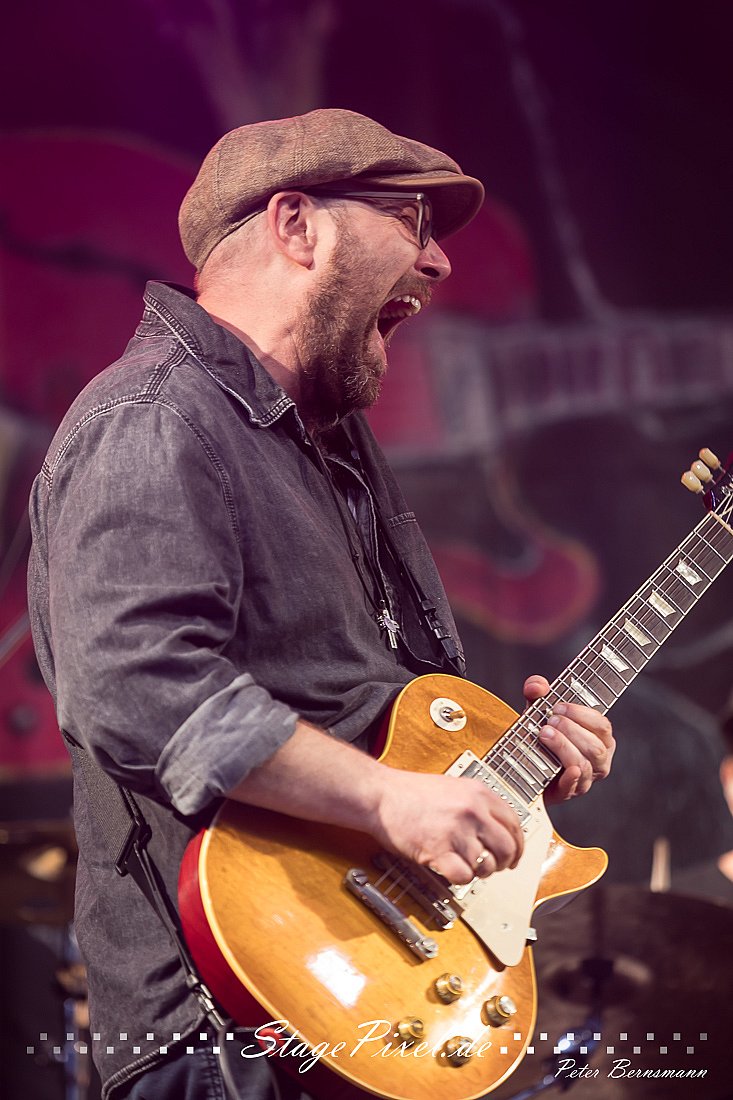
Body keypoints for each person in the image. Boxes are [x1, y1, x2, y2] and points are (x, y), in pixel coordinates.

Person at [27, 109, 615, 1100]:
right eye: (409, 222)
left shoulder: (329, 450)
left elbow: (354, 715)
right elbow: (134, 684)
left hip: (354, 1007)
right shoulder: (152, 417)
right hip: (226, 1039)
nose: (436, 265)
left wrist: (487, 776)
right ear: (297, 226)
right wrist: (390, 797)